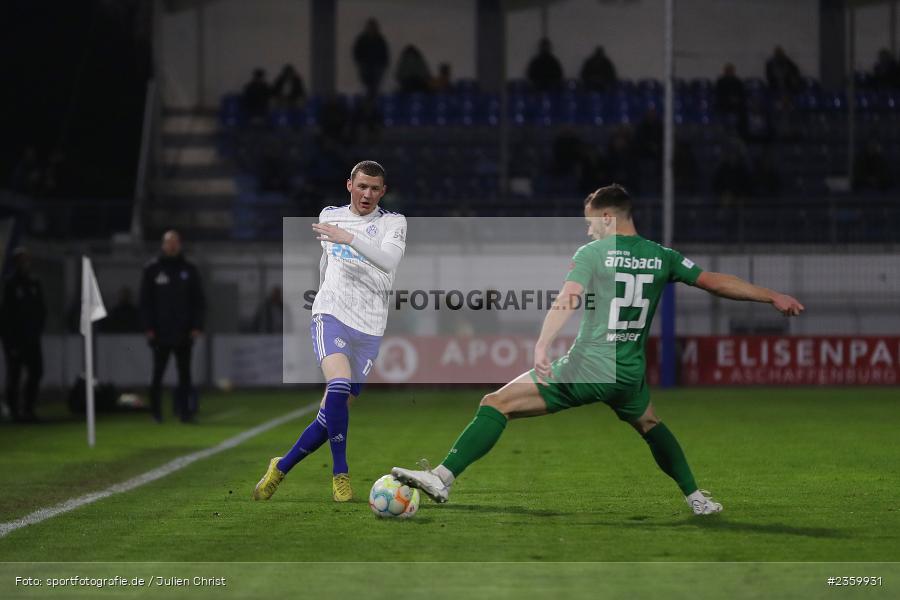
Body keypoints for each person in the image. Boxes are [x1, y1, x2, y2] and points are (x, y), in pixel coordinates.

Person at [391, 184, 804, 515]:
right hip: (628, 373)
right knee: (650, 423)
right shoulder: (661, 256)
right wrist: (771, 295)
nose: (588, 231)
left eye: (591, 223)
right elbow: (714, 281)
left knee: (496, 402)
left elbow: (568, 298)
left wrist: (542, 343)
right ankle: (696, 497)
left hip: (589, 366)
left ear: (608, 218)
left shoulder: (594, 253)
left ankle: (442, 477)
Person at [253, 161, 407, 503]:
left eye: (374, 188)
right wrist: (321, 296)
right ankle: (341, 474)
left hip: (369, 327)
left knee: (331, 413)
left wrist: (348, 238)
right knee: (337, 385)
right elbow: (327, 262)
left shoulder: (393, 223)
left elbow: (389, 262)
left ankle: (281, 466)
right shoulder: (329, 215)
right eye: (362, 186)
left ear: (383, 191)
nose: (367, 194)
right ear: (349, 185)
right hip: (331, 313)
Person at [139, 231, 206, 423]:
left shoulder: (189, 269)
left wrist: (196, 326)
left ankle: (185, 413)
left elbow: (199, 301)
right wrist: (148, 327)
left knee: (185, 375)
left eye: (175, 242)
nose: (172, 245)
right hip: (160, 332)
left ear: (180, 244)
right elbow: (145, 302)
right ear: (163, 245)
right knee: (157, 374)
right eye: (169, 242)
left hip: (184, 332)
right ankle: (156, 413)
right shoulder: (152, 269)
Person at [0, 248, 46, 422]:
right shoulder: (10, 285)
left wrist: (37, 330)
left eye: (27, 260)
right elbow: (5, 315)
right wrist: (10, 342)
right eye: (22, 260)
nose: (26, 263)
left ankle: (28, 408)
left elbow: (42, 310)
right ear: (16, 263)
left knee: (37, 371)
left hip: (32, 339)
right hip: (15, 340)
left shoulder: (34, 283)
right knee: (14, 374)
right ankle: (14, 411)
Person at [353, 19, 390, 97]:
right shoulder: (362, 39)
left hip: (377, 65)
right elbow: (356, 51)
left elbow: (385, 53)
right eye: (370, 27)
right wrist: (360, 61)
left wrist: (384, 63)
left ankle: (372, 99)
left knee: (375, 85)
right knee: (367, 85)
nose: (371, 29)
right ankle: (369, 99)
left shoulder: (380, 40)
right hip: (365, 65)